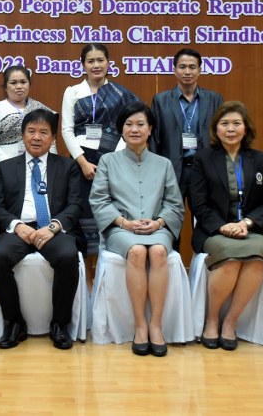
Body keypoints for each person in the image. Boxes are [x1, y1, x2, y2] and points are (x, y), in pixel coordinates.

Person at [89, 101, 184, 357]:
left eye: (141, 124)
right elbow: (99, 200)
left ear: (150, 129)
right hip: (121, 228)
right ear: (121, 130)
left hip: (157, 226)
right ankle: (140, 326)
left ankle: (156, 326)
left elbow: (174, 203)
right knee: (138, 252)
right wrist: (124, 223)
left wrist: (159, 222)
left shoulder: (163, 164)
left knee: (159, 252)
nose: (134, 129)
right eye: (128, 124)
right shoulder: (108, 161)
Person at [0, 108, 84, 350]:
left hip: (53, 228)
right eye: (31, 131)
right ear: (23, 135)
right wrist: (17, 225)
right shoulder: (4, 168)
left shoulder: (67, 166)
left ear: (53, 138)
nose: (37, 137)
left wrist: (53, 227)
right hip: (19, 228)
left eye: (43, 132)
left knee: (68, 256)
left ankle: (60, 324)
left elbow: (75, 205)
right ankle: (14, 323)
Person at [188, 101, 263, 351]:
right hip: (215, 230)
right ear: (215, 129)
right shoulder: (202, 159)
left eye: (236, 123)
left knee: (257, 258)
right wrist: (223, 227)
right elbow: (198, 203)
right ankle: (212, 320)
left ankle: (230, 322)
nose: (230, 129)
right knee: (230, 258)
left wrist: (247, 223)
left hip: (252, 230)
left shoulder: (261, 160)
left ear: (245, 128)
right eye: (224, 124)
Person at [60, 43, 139, 273]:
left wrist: (111, 161)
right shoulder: (73, 92)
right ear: (83, 65)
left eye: (100, 60)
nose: (96, 65)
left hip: (113, 160)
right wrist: (83, 162)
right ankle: (86, 276)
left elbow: (128, 128)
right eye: (91, 61)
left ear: (108, 63)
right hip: (81, 160)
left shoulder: (121, 94)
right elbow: (66, 130)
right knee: (83, 215)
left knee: (109, 213)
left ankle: (106, 274)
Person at [149, 48, 223, 219]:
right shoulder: (161, 100)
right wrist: (156, 172)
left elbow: (220, 136)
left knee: (206, 219)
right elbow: (154, 140)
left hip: (205, 169)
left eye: (192, 67)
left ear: (200, 70)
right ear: (174, 70)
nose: (187, 71)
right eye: (182, 67)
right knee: (169, 219)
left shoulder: (214, 99)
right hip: (173, 170)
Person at [0, 65, 57, 168]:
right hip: (4, 167)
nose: (19, 86)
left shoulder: (40, 109)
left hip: (37, 167)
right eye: (13, 83)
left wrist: (51, 165)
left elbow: (51, 141)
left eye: (23, 82)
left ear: (29, 84)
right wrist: (8, 165)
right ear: (5, 87)